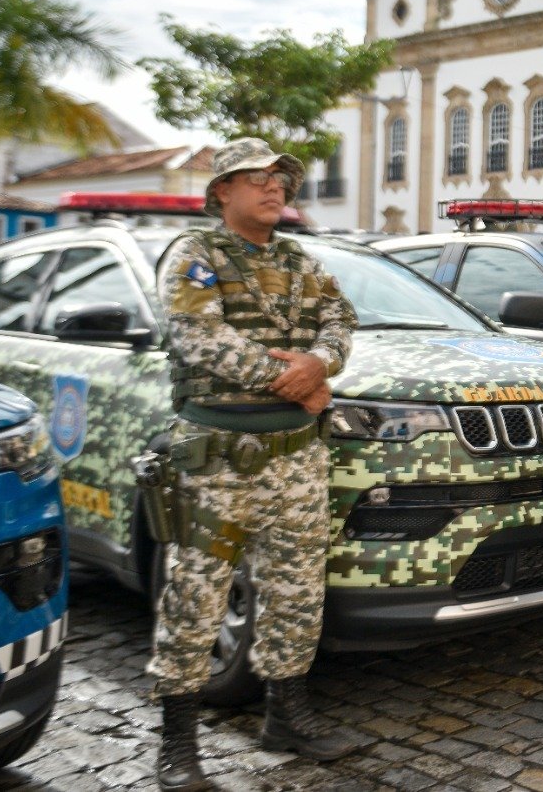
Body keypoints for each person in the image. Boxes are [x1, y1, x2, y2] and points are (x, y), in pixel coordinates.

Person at [148, 138, 358, 791]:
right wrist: (293, 382)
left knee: (297, 591)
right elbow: (200, 337)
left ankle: (286, 717)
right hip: (217, 457)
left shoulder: (300, 259)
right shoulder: (196, 255)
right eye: (256, 177)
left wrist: (319, 364)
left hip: (295, 457)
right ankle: (178, 743)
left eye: (280, 178)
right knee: (196, 594)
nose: (274, 187)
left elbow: (340, 319)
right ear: (221, 191)